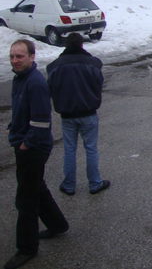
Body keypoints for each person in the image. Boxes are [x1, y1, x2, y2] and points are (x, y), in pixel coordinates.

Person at [5, 40, 69, 269]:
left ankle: (26, 249)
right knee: (36, 187)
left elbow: (42, 120)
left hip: (33, 148)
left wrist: (26, 143)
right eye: (12, 56)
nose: (15, 60)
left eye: (20, 56)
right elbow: (22, 109)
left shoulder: (36, 83)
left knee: (26, 199)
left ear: (32, 57)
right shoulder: (19, 78)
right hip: (23, 142)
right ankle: (58, 224)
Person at [46, 33, 109, 196]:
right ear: (82, 45)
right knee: (91, 149)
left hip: (67, 115)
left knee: (69, 149)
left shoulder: (55, 66)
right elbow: (99, 81)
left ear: (66, 45)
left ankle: (69, 184)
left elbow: (50, 86)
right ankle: (95, 183)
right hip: (89, 112)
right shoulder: (92, 64)